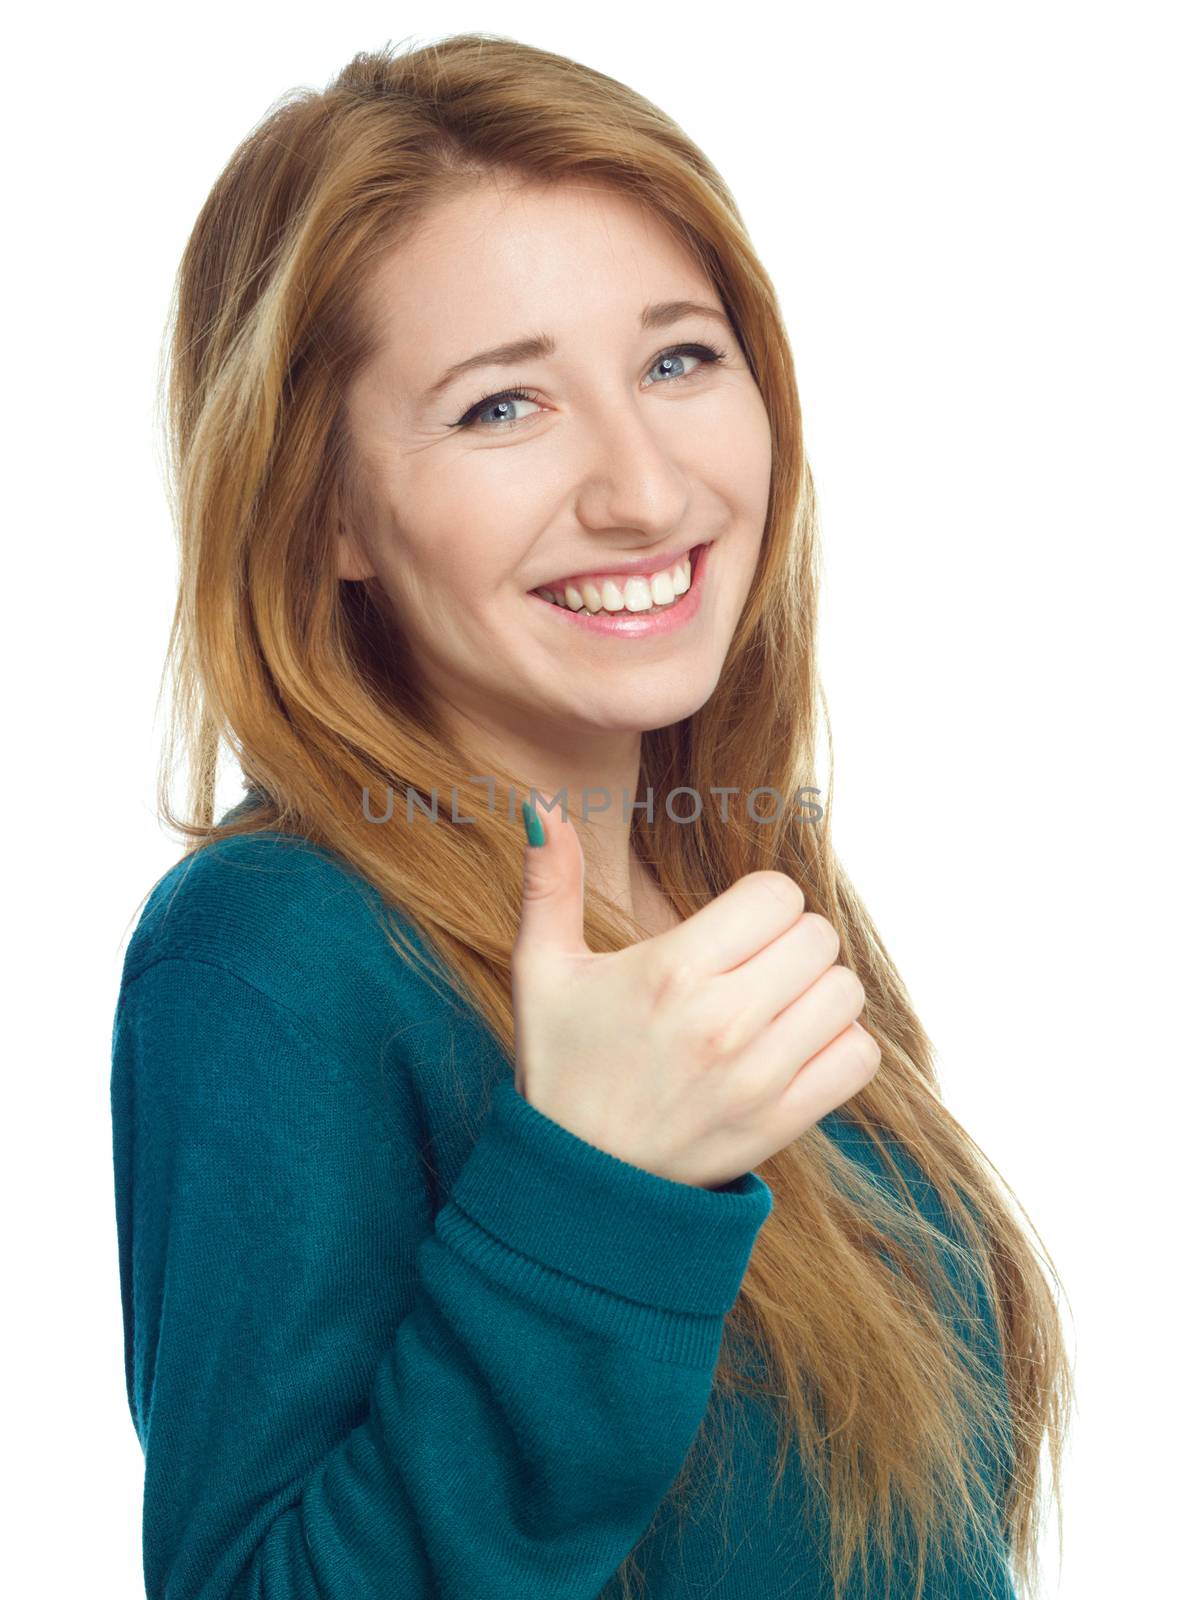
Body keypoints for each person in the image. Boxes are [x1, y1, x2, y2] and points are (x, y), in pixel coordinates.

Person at [110, 33, 1073, 1600]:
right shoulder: (276, 953)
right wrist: (589, 1189)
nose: (642, 488)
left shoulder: (729, 874)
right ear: (325, 508)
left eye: (680, 360)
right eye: (502, 408)